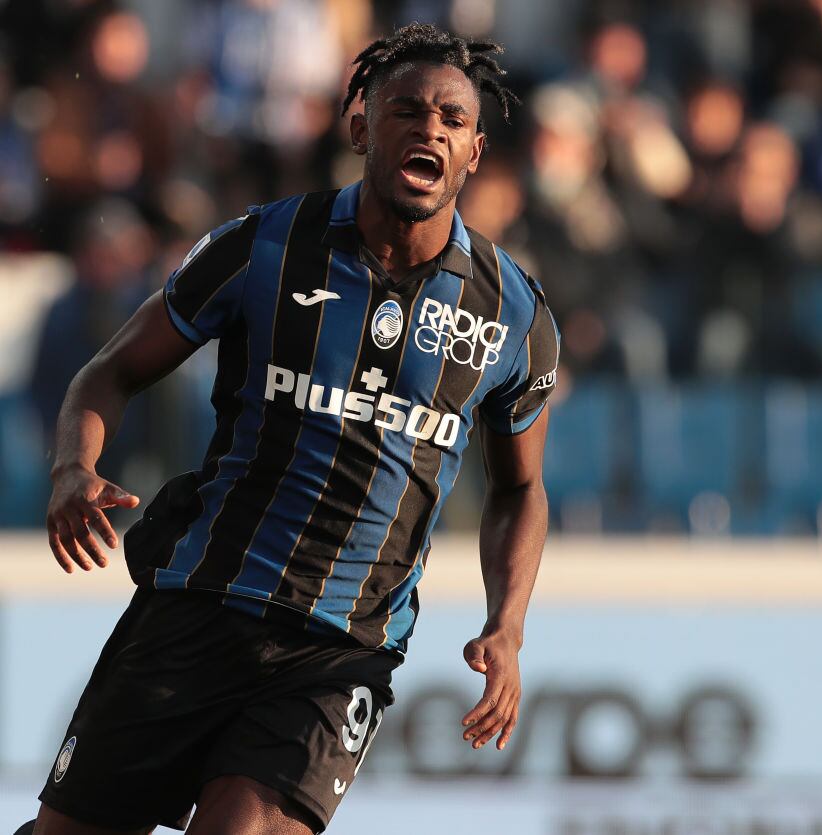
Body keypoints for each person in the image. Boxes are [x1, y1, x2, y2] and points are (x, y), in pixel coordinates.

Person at [29, 23, 559, 835]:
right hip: (199, 603)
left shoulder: (512, 313)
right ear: (359, 128)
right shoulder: (262, 246)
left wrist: (507, 626)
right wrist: (74, 467)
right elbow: (110, 369)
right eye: (407, 111)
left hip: (340, 647)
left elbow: (521, 489)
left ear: (475, 152)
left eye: (452, 119)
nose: (430, 130)